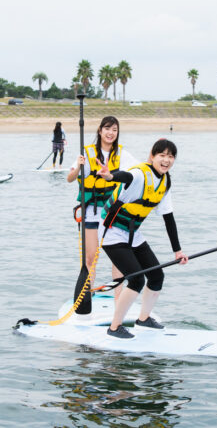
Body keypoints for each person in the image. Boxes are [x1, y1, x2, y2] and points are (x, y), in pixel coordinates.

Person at [96, 138, 187, 339]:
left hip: (132, 234)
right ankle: (114, 327)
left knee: (156, 275)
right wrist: (110, 176)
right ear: (152, 157)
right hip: (111, 233)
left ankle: (143, 319)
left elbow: (168, 218)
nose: (166, 160)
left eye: (171, 156)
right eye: (162, 155)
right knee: (136, 279)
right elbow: (125, 177)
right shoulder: (140, 173)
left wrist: (177, 251)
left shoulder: (165, 182)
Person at [66, 116, 137, 314]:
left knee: (118, 259)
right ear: (100, 130)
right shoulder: (87, 153)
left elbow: (139, 172)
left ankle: (118, 303)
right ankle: (86, 300)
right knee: (90, 259)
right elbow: (70, 178)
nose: (110, 133)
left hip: (113, 213)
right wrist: (79, 166)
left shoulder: (123, 154)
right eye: (107, 128)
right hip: (92, 212)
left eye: (114, 129)